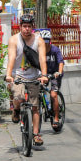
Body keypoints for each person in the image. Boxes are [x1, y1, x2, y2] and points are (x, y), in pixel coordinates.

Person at [5, 14, 49, 146]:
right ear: (20, 27)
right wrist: (9, 75)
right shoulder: (14, 40)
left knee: (35, 107)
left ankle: (36, 134)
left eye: (29, 26)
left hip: (34, 76)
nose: (27, 29)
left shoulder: (39, 40)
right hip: (18, 76)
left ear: (32, 27)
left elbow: (42, 59)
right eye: (24, 26)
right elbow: (12, 57)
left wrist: (44, 75)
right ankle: (16, 109)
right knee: (18, 98)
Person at [39, 29, 65, 128]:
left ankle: (56, 117)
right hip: (44, 74)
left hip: (55, 74)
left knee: (54, 95)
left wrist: (59, 72)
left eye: (47, 42)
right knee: (38, 91)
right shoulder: (39, 51)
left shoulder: (55, 50)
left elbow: (61, 62)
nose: (45, 45)